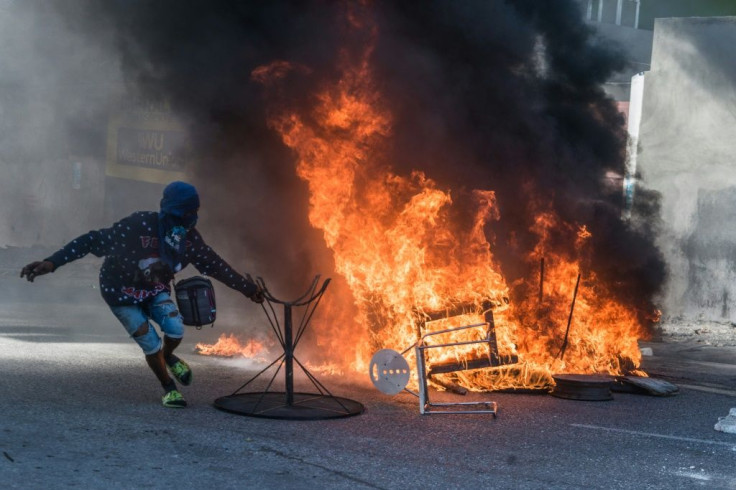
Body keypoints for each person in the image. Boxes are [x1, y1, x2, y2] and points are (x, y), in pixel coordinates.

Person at [20, 181, 264, 408]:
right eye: (183, 214)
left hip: (154, 290)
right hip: (119, 291)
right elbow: (91, 240)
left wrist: (248, 289)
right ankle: (169, 387)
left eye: (192, 214)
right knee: (149, 341)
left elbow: (216, 266)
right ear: (169, 211)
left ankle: (169, 356)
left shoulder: (190, 242)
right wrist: (52, 263)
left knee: (175, 328)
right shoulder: (138, 226)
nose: (188, 220)